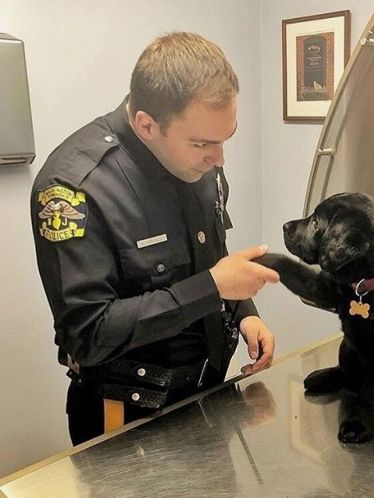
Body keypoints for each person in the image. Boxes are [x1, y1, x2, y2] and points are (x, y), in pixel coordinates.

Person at [30, 32, 280, 446]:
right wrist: (214, 287)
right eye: (202, 143)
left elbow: (208, 261)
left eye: (225, 138)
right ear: (147, 124)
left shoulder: (201, 163)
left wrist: (243, 311)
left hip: (209, 395)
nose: (220, 159)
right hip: (129, 416)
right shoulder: (75, 187)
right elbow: (88, 335)